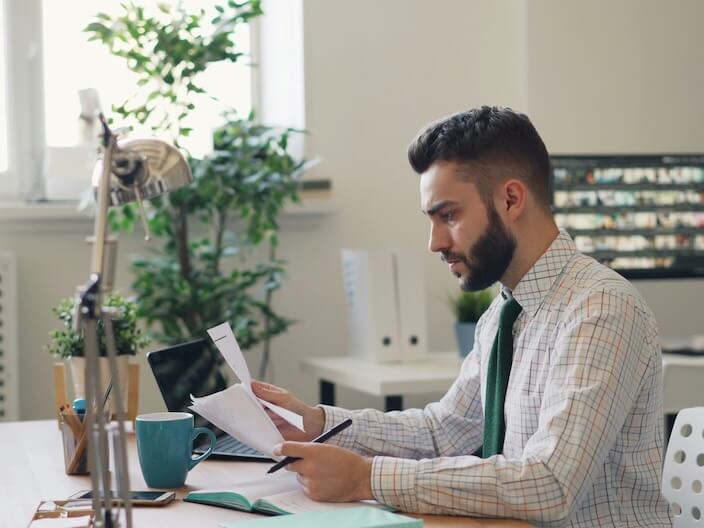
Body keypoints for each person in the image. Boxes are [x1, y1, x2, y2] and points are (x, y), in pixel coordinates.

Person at [252, 106, 672, 527]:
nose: (435, 242)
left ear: (511, 199)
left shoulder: (600, 308)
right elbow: (443, 431)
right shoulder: (504, 315)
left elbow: (550, 483)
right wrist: (315, 422)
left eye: (448, 215)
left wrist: (368, 478)